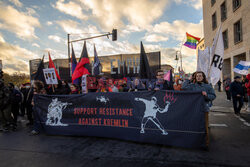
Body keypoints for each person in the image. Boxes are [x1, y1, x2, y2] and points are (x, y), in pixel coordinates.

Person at [181, 71, 216, 148]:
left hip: (204, 109)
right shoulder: (192, 86)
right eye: (197, 76)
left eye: (200, 76)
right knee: (193, 126)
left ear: (203, 77)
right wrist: (189, 80)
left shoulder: (208, 86)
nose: (199, 77)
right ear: (195, 77)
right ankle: (193, 142)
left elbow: (213, 96)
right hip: (193, 109)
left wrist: (206, 95)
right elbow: (183, 88)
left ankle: (206, 143)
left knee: (205, 126)